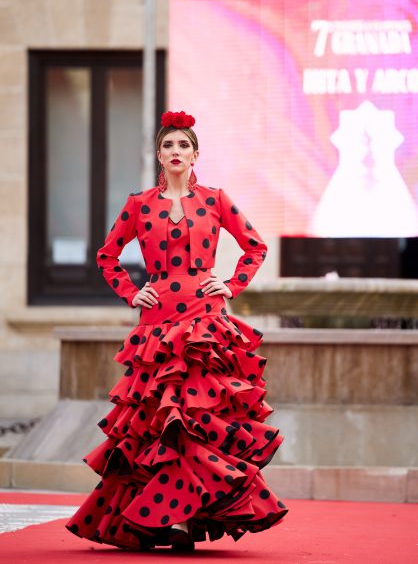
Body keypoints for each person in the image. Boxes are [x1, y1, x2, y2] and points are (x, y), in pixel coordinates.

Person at [65, 110, 288, 551]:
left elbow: (255, 246)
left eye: (183, 145)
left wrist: (232, 282)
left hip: (205, 320)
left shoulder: (216, 199)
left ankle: (183, 520)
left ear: (195, 153)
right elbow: (107, 256)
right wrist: (132, 293)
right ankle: (160, 519)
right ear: (159, 154)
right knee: (158, 423)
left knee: (195, 420)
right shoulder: (138, 204)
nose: (175, 152)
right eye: (168, 145)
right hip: (158, 320)